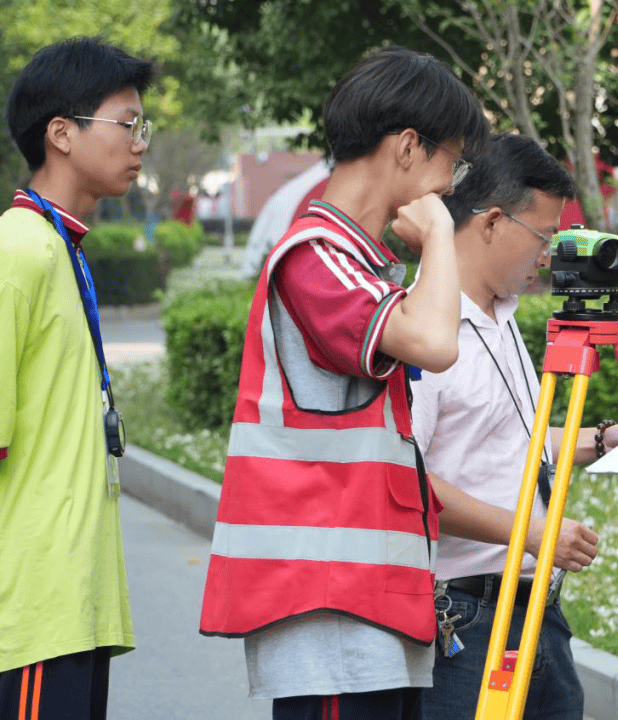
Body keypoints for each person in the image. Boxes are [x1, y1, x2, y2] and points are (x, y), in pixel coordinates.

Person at [198, 46, 489, 720]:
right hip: (328, 608)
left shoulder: (355, 259)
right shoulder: (314, 256)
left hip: (362, 603)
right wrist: (441, 239)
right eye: (453, 161)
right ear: (409, 147)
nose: (451, 186)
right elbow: (436, 344)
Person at [410, 133, 618, 720]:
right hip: (464, 620)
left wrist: (602, 438)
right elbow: (409, 481)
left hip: (537, 612)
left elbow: (515, 440)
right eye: (543, 236)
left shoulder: (502, 318)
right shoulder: (422, 329)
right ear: (491, 222)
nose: (549, 255)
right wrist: (534, 536)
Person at [0, 37, 154, 719]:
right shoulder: (18, 250)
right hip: (30, 602)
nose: (140, 144)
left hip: (71, 600)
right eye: (127, 124)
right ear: (61, 133)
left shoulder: (63, 249)